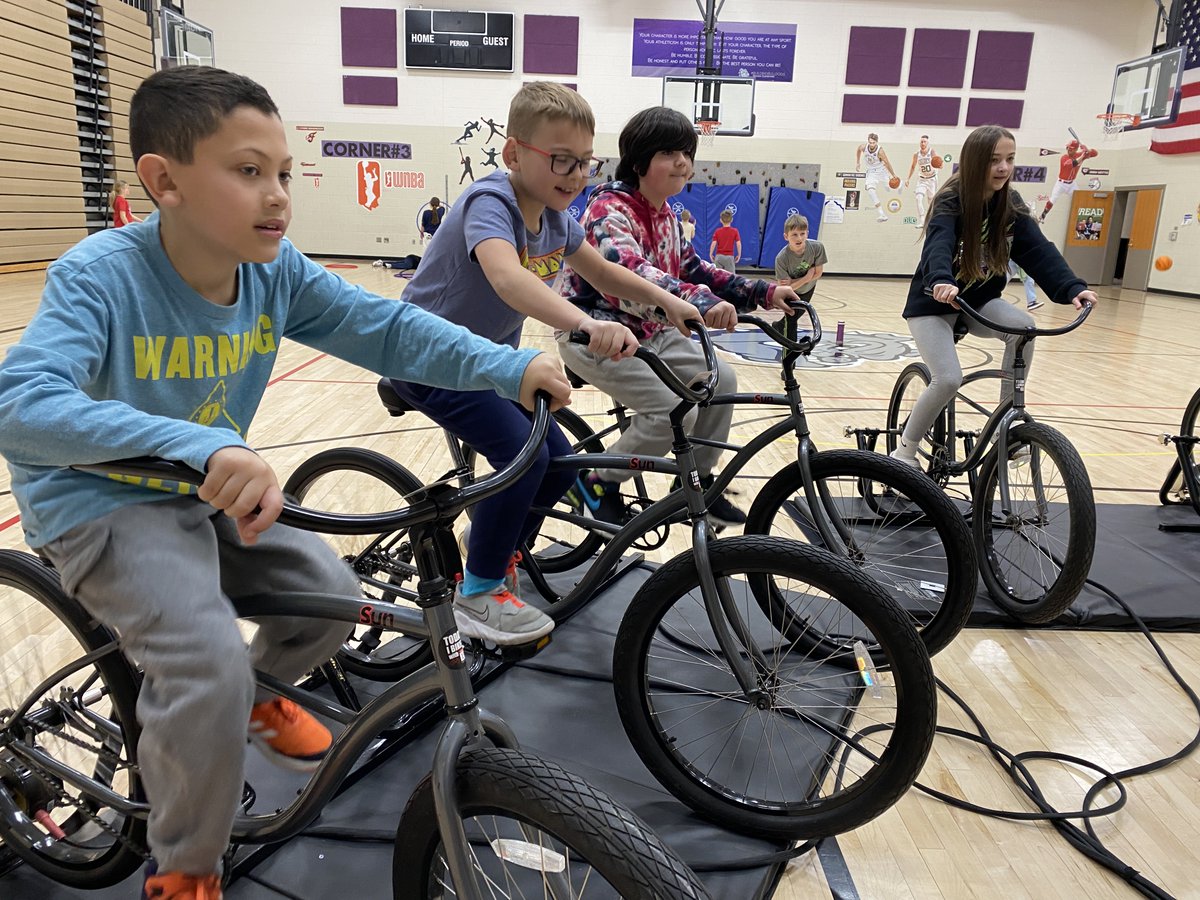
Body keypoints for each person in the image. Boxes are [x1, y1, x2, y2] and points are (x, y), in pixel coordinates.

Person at [0, 66, 572, 900]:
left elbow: (386, 326)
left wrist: (507, 365)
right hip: (102, 501)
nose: (277, 196)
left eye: (283, 174)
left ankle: (256, 702)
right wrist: (195, 445)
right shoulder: (100, 276)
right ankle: (186, 869)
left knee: (324, 592)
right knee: (204, 663)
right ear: (164, 182)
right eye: (247, 171)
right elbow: (21, 407)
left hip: (208, 484)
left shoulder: (272, 270)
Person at [388, 83, 692, 645]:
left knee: (556, 464)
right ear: (513, 154)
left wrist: (670, 301)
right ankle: (477, 593)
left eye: (584, 162)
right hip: (428, 357)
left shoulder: (557, 219)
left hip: (486, 364)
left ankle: (490, 560)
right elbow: (507, 277)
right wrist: (584, 323)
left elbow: (602, 273)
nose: (575, 175)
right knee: (520, 457)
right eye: (560, 160)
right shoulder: (490, 202)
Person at [558, 106, 801, 526]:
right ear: (639, 163)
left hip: (650, 331)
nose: (683, 162)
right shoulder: (608, 210)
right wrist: (701, 303)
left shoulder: (667, 215)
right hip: (595, 332)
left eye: (687, 152)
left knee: (720, 380)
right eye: (670, 152)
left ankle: (696, 482)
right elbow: (630, 270)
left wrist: (764, 290)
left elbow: (696, 269)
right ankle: (595, 480)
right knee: (673, 409)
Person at [890, 125, 1098, 469]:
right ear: (974, 163)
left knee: (1024, 329)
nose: (1003, 168)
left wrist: (1072, 287)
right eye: (994, 161)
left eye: (1009, 159)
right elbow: (938, 245)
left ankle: (1008, 424)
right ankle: (905, 451)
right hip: (933, 303)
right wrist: (942, 279)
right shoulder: (951, 200)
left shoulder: (1010, 203)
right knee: (948, 378)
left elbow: (1038, 250)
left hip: (979, 301)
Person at [1038, 138, 1097, 223]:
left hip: (1072, 184)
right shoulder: (1064, 158)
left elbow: (1095, 153)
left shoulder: (1080, 154)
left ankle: (1083, 219)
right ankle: (1043, 216)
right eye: (1068, 147)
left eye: (1071, 148)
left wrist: (1087, 150)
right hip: (1061, 184)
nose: (1069, 149)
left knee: (1080, 198)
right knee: (1053, 199)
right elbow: (1074, 163)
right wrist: (1083, 155)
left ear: (1076, 149)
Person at [773, 213, 827, 303]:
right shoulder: (781, 258)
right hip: (791, 292)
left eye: (802, 234)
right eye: (794, 234)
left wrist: (792, 281)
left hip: (808, 289)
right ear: (786, 237)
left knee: (797, 314)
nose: (799, 238)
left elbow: (818, 273)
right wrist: (806, 278)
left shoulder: (817, 247)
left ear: (807, 234)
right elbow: (784, 289)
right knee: (791, 315)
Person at [855, 132, 898, 222]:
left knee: (889, 188)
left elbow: (887, 163)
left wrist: (893, 174)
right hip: (871, 173)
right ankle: (882, 214)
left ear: (877, 142)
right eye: (870, 142)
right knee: (870, 191)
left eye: (873, 143)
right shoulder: (863, 147)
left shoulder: (880, 151)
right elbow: (858, 150)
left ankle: (896, 184)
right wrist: (858, 162)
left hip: (881, 171)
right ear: (868, 142)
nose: (871, 144)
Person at [905, 135, 939, 225]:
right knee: (918, 198)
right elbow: (912, 166)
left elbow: (938, 163)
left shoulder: (932, 152)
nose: (923, 143)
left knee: (931, 201)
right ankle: (922, 220)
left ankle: (932, 219)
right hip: (922, 180)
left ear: (928, 143)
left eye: (925, 142)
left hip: (932, 179)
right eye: (921, 142)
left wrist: (940, 165)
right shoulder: (916, 154)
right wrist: (908, 178)